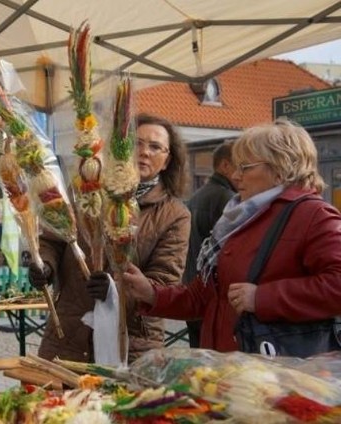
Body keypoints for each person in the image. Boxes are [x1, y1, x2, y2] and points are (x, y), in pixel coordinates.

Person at [124, 120, 341, 354]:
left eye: (245, 167)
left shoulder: (312, 215)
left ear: (281, 170)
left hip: (279, 371)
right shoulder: (240, 217)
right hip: (230, 365)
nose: (236, 176)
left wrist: (262, 298)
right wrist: (150, 293)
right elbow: (204, 297)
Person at [29, 113, 190, 363]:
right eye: (137, 143)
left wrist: (116, 291)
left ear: (167, 160)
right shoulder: (89, 192)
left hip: (131, 341)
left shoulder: (174, 215)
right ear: (121, 147)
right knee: (58, 403)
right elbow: (55, 237)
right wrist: (45, 265)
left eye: (155, 147)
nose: (145, 152)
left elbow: (164, 281)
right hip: (70, 333)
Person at [182, 142, 236, 347]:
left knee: (199, 357)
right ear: (224, 165)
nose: (241, 175)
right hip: (211, 294)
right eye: (240, 166)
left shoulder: (198, 195)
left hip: (192, 287)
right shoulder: (228, 200)